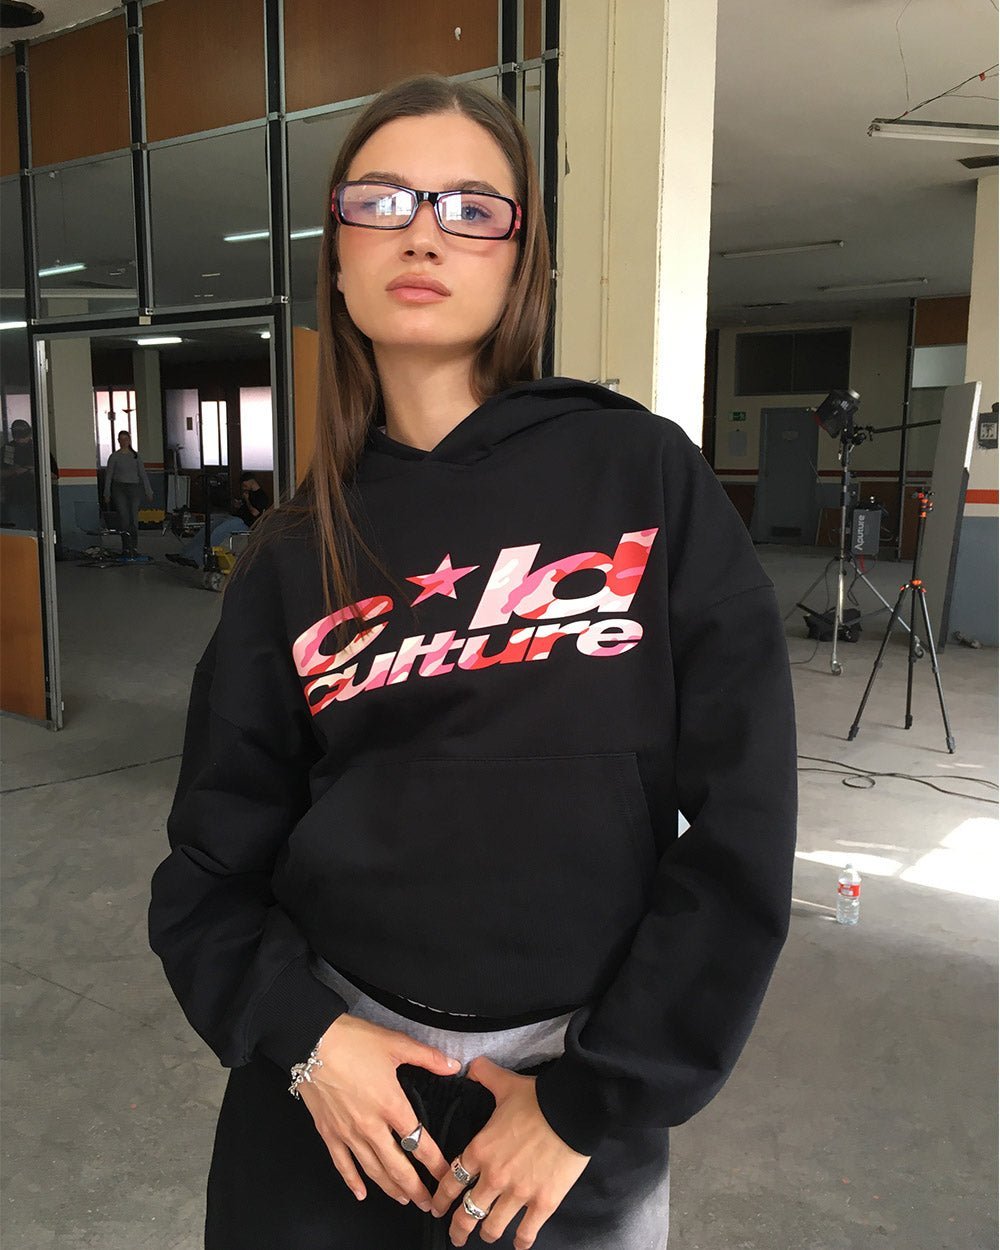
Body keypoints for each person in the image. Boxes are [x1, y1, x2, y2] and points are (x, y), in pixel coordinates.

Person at [148, 73, 797, 1250]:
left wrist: (590, 1097)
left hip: (565, 1116)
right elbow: (205, 871)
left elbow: (745, 822)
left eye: (469, 207)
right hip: (336, 1106)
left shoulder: (640, 474)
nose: (423, 232)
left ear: (519, 258)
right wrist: (307, 1041)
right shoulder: (297, 549)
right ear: (338, 254)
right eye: (381, 200)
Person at [166, 472, 270, 569]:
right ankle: (185, 554)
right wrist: (239, 504)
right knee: (207, 529)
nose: (243, 487)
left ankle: (197, 559)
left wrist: (247, 500)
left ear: (251, 481)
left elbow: (255, 512)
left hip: (244, 523)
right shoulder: (248, 493)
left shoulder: (261, 496)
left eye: (244, 485)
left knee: (216, 534)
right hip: (234, 518)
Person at [103, 429, 153, 557]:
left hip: (134, 488)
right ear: (118, 441)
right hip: (119, 488)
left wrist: (148, 490)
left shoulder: (136, 456)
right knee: (123, 517)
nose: (124, 441)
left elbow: (142, 474)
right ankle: (125, 547)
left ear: (129, 440)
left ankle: (134, 547)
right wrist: (107, 493)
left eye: (126, 439)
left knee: (133, 518)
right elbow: (109, 476)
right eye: (121, 439)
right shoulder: (114, 457)